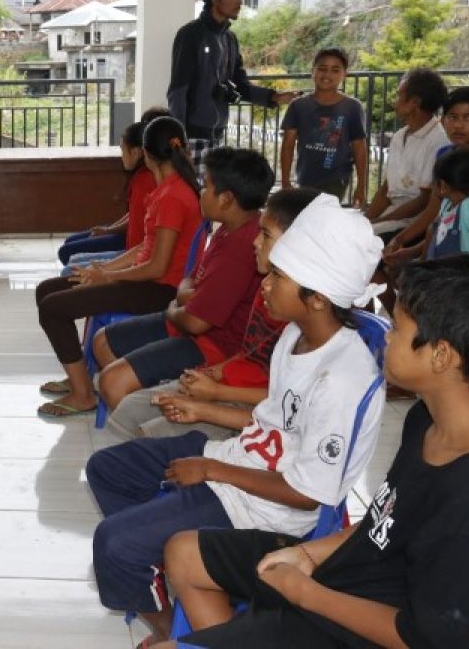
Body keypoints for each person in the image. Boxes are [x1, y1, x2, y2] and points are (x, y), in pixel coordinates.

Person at [161, 256, 469, 649]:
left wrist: (305, 594)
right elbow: (385, 518)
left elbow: (421, 638)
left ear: (442, 356)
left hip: (362, 627)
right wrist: (308, 555)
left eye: (397, 327)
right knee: (184, 553)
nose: (387, 337)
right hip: (346, 577)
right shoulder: (427, 418)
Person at [85, 194, 384, 644]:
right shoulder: (296, 338)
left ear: (318, 297)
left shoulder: (341, 377)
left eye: (279, 277)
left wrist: (210, 470)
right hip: (236, 461)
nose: (265, 284)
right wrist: (204, 412)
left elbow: (307, 494)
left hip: (264, 507)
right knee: (106, 469)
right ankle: (162, 572)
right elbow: (269, 424)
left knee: (113, 543)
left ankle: (172, 630)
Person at [100, 188, 317, 448]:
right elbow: (251, 352)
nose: (256, 242)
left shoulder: (303, 314)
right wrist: (215, 372)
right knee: (131, 408)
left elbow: (286, 403)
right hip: (230, 382)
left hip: (249, 404)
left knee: (151, 435)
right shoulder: (267, 288)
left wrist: (215, 393)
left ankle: (152, 474)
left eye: (266, 234)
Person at [35, 117, 202, 417]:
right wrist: (104, 267)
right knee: (47, 290)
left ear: (147, 155)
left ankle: (83, 394)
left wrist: (107, 277)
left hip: (157, 290)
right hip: (143, 281)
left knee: (52, 308)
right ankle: (80, 377)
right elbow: (145, 246)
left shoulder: (173, 196)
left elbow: (156, 267)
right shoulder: (170, 189)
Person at [92, 147, 274, 411]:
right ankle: (149, 397)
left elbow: (196, 322)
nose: (200, 191)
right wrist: (185, 300)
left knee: (112, 381)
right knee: (103, 340)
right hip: (188, 321)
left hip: (216, 347)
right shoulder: (227, 229)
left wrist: (176, 308)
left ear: (225, 199)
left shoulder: (244, 246)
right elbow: (190, 281)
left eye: (206, 185)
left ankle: (148, 430)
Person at [382, 86, 469, 308]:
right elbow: (435, 213)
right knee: (392, 268)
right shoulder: (444, 154)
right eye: (452, 117)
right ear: (442, 120)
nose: (458, 125)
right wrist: (405, 243)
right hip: (443, 247)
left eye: (468, 118)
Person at [167, 0, 298, 172]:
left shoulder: (230, 39)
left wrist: (273, 97)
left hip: (218, 135)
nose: (241, 1)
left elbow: (241, 85)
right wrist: (179, 140)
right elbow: (178, 91)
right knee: (194, 198)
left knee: (210, 198)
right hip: (191, 138)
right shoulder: (190, 34)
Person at [58, 107, 165, 269]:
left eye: (122, 149)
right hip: (133, 245)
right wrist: (109, 229)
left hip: (134, 249)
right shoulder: (142, 176)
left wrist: (109, 231)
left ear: (137, 152)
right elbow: (135, 214)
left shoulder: (147, 179)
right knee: (70, 247)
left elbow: (147, 245)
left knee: (68, 255)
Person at [363, 68, 450, 239]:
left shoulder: (439, 141)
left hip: (414, 222)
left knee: (363, 240)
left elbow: (424, 201)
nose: (394, 102)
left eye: (399, 96)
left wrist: (377, 222)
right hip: (392, 215)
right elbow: (387, 189)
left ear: (414, 103)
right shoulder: (399, 136)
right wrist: (367, 219)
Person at [279, 48, 368, 204]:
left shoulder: (352, 107)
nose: (327, 75)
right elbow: (288, 145)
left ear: (344, 74)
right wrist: (285, 181)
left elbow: (359, 148)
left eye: (335, 70)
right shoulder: (298, 106)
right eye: (322, 69)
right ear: (312, 71)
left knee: (321, 215)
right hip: (305, 176)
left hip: (336, 177)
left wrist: (361, 185)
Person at [387, 147, 469, 262]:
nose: (431, 185)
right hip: (443, 268)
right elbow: (436, 235)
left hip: (462, 272)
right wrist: (416, 257)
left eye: (434, 181)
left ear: (443, 186)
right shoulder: (446, 205)